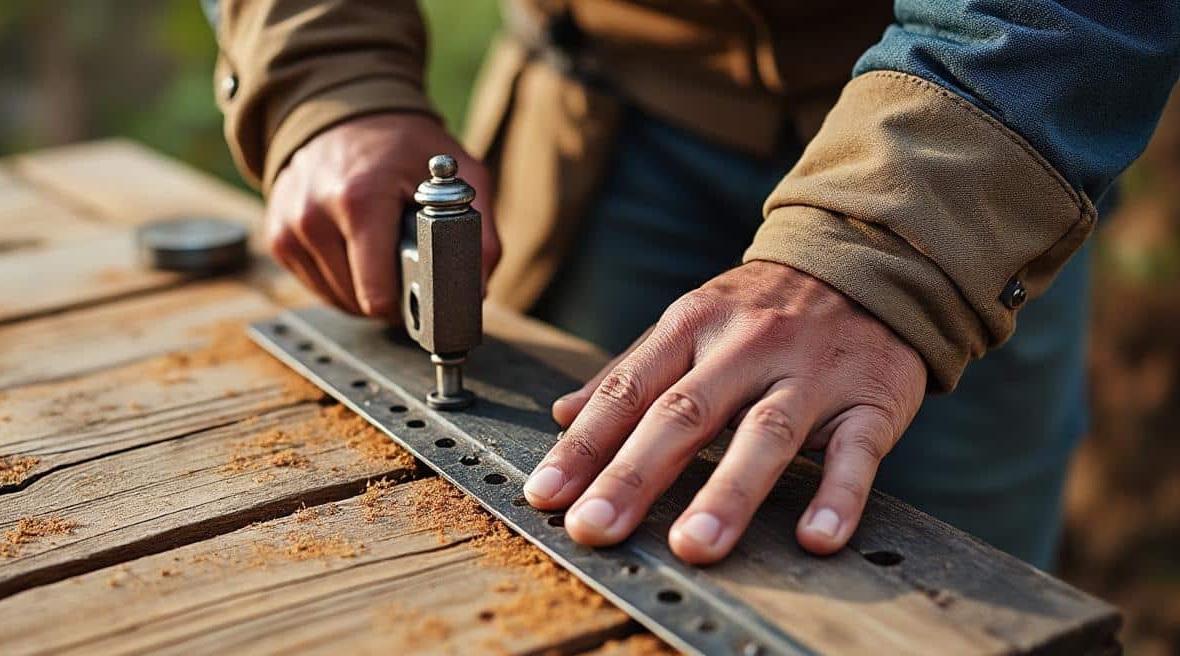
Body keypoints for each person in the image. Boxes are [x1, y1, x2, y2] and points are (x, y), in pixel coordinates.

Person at [206, 1, 1180, 570]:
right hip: (608, 120)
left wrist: (889, 243)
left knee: (968, 631)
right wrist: (328, 80)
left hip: (980, 157)